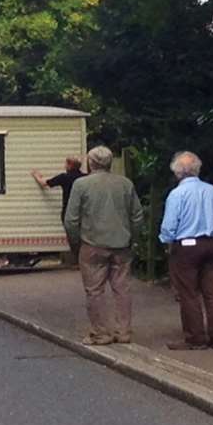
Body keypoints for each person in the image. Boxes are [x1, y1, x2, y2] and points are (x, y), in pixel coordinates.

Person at [59, 146, 146, 345]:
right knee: (122, 288)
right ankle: (123, 332)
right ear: (109, 163)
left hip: (92, 244)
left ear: (91, 163)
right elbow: (138, 216)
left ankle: (101, 333)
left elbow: (70, 219)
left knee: (94, 290)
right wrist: (131, 237)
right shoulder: (125, 184)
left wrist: (76, 242)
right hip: (121, 244)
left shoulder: (81, 185)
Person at [158, 151, 213, 350]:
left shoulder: (177, 194)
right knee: (212, 290)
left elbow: (170, 224)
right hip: (212, 243)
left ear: (177, 172)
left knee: (188, 292)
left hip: (187, 246)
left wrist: (166, 241)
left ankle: (196, 337)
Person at [32, 157, 86, 265]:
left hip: (68, 212)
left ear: (70, 165)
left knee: (72, 237)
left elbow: (44, 183)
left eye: (66, 164)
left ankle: (79, 259)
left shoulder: (64, 177)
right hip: (84, 212)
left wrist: (36, 175)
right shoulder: (85, 178)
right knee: (84, 236)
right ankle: (85, 258)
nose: (64, 166)